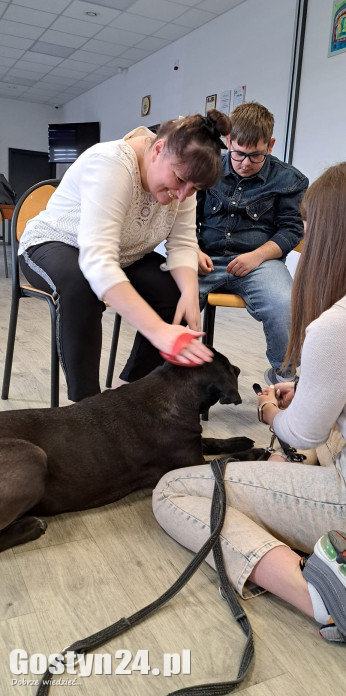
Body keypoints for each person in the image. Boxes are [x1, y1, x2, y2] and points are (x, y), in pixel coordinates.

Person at [153, 162, 346, 643]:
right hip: (209, 263)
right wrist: (308, 390)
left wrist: (271, 413)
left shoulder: (334, 326)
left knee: (172, 491)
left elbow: (302, 432)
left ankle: (321, 598)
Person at [18, 111, 231, 402]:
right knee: (81, 286)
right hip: (54, 242)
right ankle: (88, 407)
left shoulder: (184, 178)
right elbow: (97, 260)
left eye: (193, 188)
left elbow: (182, 243)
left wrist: (190, 293)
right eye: (180, 180)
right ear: (158, 149)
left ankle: (128, 395)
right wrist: (158, 331)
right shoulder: (111, 165)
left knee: (172, 292)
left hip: (122, 253)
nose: (183, 195)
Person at [197, 101, 309, 384]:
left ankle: (284, 379)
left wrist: (257, 256)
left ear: (270, 145)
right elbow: (185, 218)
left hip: (260, 263)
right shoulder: (206, 167)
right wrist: (192, 250)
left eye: (256, 155)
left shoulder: (290, 180)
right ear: (228, 142)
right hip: (205, 258)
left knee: (284, 304)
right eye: (238, 154)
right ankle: (163, 376)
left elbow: (291, 230)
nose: (246, 163)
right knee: (167, 296)